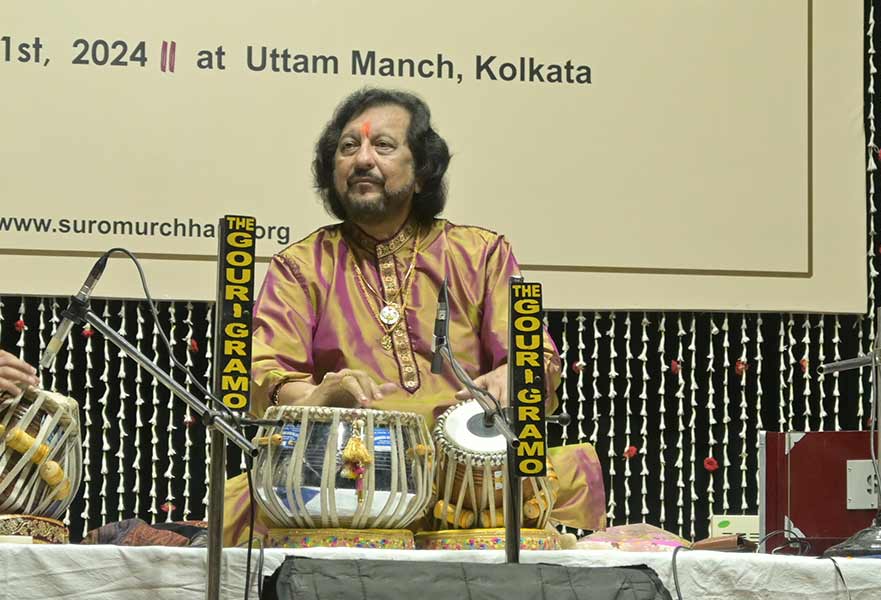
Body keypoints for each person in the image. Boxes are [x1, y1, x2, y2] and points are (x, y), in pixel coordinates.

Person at [224, 88, 605, 544]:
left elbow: (535, 356)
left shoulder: (480, 255)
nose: (362, 159)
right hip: (350, 481)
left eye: (382, 146)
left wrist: (513, 375)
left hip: (472, 485)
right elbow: (266, 372)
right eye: (348, 147)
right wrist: (318, 395)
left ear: (422, 173)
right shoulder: (302, 265)